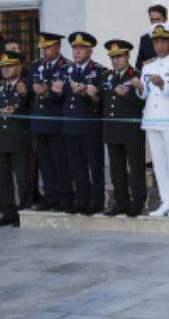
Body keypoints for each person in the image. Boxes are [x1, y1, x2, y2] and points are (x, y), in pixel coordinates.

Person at [139, 24, 169, 218]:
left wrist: (163, 84)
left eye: (163, 41)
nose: (159, 45)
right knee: (159, 163)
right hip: (152, 118)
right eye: (156, 41)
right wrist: (138, 88)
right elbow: (144, 94)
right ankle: (166, 200)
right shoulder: (148, 64)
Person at [59, 32, 105, 215]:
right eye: (74, 48)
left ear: (90, 50)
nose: (77, 52)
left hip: (90, 126)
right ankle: (81, 199)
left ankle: (96, 200)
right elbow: (60, 97)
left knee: (95, 166)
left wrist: (86, 93)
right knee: (76, 167)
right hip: (70, 125)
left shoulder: (99, 70)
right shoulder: (66, 70)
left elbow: (100, 100)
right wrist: (54, 92)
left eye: (81, 48)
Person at [101, 39, 147, 217]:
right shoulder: (106, 75)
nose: (115, 60)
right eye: (113, 57)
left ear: (128, 56)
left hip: (131, 130)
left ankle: (138, 201)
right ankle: (121, 202)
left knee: (136, 168)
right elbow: (103, 102)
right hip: (112, 129)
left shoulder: (136, 75)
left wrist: (129, 95)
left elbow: (142, 103)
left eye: (119, 56)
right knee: (116, 169)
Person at [0, 50, 31, 227]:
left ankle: (24, 213)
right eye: (2, 67)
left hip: (20, 138)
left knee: (23, 179)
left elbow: (34, 109)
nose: (5, 70)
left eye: (10, 66)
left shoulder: (27, 85)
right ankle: (8, 213)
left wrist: (25, 95)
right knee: (1, 179)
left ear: (19, 67)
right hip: (0, 139)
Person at [28, 32, 70, 211]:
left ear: (57, 46)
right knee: (45, 163)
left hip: (57, 121)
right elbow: (31, 89)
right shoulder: (36, 65)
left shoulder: (66, 66)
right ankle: (50, 196)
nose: (44, 51)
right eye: (42, 48)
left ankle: (64, 198)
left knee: (60, 162)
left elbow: (66, 94)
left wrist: (48, 93)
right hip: (40, 121)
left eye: (48, 48)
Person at [136, 4, 169, 69]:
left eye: (158, 19)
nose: (155, 22)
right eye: (152, 20)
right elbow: (139, 64)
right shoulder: (144, 39)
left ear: (165, 19)